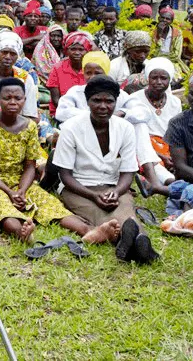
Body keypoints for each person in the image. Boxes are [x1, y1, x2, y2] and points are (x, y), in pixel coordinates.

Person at [0, 78, 119, 244]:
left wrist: (21, 190)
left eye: (18, 98)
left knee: (50, 204)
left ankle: (90, 232)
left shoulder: (29, 126)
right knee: (1, 206)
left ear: (25, 100)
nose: (13, 102)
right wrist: (9, 192)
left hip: (21, 182)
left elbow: (30, 166)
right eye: (7, 98)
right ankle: (21, 232)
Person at [52, 76, 160, 263]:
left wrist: (117, 192)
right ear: (87, 102)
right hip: (79, 188)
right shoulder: (70, 128)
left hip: (113, 186)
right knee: (99, 213)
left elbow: (128, 171)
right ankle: (140, 248)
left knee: (125, 210)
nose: (103, 106)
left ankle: (138, 243)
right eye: (97, 100)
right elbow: (65, 175)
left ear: (116, 103)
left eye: (109, 101)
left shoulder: (125, 128)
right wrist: (93, 196)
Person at [121, 57, 181, 189]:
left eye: (163, 78)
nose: (158, 82)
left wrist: (172, 154)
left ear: (169, 80)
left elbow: (177, 133)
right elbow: (133, 135)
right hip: (143, 144)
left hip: (167, 146)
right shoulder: (134, 99)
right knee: (150, 161)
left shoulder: (175, 102)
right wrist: (160, 155)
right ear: (148, 78)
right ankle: (168, 182)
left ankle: (170, 181)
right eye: (154, 78)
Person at [166, 69, 193, 212]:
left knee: (190, 191)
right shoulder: (178, 123)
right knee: (180, 187)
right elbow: (180, 167)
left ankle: (186, 218)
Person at [46, 31, 91, 116]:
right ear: (67, 50)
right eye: (73, 49)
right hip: (63, 111)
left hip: (87, 113)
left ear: (87, 51)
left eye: (81, 50)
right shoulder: (58, 68)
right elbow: (56, 100)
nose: (77, 53)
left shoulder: (91, 68)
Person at [150, 6, 187, 83]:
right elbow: (152, 53)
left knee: (175, 79)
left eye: (168, 19)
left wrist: (160, 55)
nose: (164, 20)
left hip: (172, 62)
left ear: (171, 21)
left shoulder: (177, 33)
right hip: (154, 61)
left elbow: (176, 55)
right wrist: (159, 35)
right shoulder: (152, 31)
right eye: (162, 18)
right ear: (158, 18)